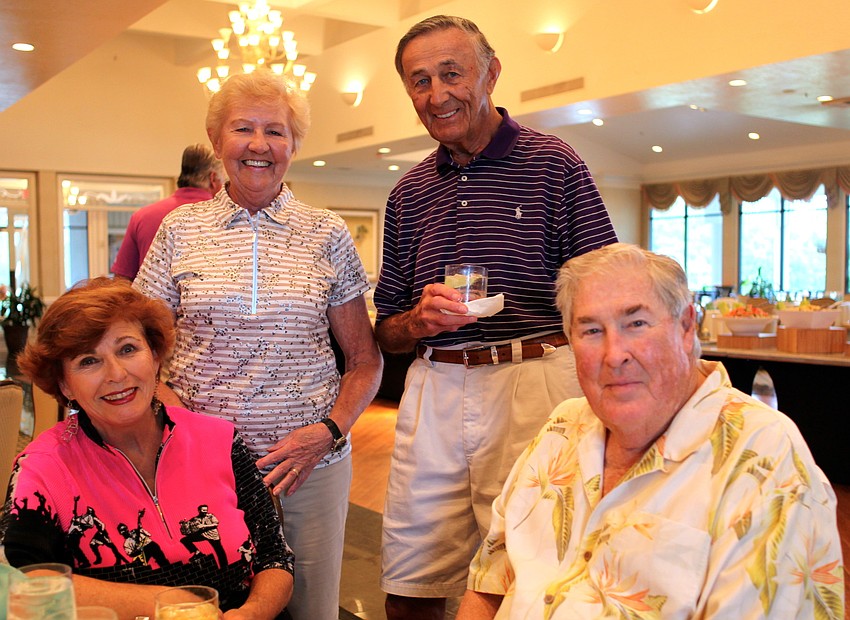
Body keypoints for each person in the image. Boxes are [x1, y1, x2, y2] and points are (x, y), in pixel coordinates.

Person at [373, 15, 618, 619]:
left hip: (535, 380)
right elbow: (386, 328)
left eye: (451, 73)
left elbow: (603, 290)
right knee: (410, 578)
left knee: (531, 574)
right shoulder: (408, 193)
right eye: (419, 81)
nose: (436, 94)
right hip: (435, 387)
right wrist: (417, 322)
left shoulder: (555, 164)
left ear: (492, 73)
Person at [457, 243, 845, 619]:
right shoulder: (563, 426)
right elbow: (490, 580)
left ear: (687, 327)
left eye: (636, 324)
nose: (614, 354)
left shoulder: (763, 457)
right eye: (591, 330)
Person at [134, 70, 383, 620]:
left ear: (294, 145)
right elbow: (138, 346)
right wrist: (169, 410)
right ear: (216, 138)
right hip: (201, 466)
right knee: (211, 605)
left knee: (313, 608)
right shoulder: (180, 230)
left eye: (276, 130)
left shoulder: (326, 232)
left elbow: (365, 361)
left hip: (309, 467)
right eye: (242, 128)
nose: (258, 144)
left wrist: (329, 432)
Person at [0, 277, 294, 618]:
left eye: (127, 349)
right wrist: (171, 605)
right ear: (65, 384)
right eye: (88, 361)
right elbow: (25, 580)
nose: (117, 374)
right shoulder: (43, 466)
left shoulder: (220, 439)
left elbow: (276, 557)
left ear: (155, 357)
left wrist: (252, 613)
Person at [111, 143, 224, 280]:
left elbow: (122, 280)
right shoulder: (224, 218)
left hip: (151, 300)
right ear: (213, 179)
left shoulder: (142, 216)